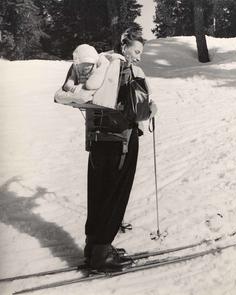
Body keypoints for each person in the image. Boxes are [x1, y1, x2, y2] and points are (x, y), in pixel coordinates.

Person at [83, 27, 157, 271]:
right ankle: (102, 254)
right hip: (122, 140)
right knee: (116, 193)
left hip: (97, 139)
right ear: (125, 46)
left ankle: (93, 246)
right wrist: (152, 109)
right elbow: (140, 108)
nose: (138, 56)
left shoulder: (102, 63)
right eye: (136, 50)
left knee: (98, 191)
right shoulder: (129, 69)